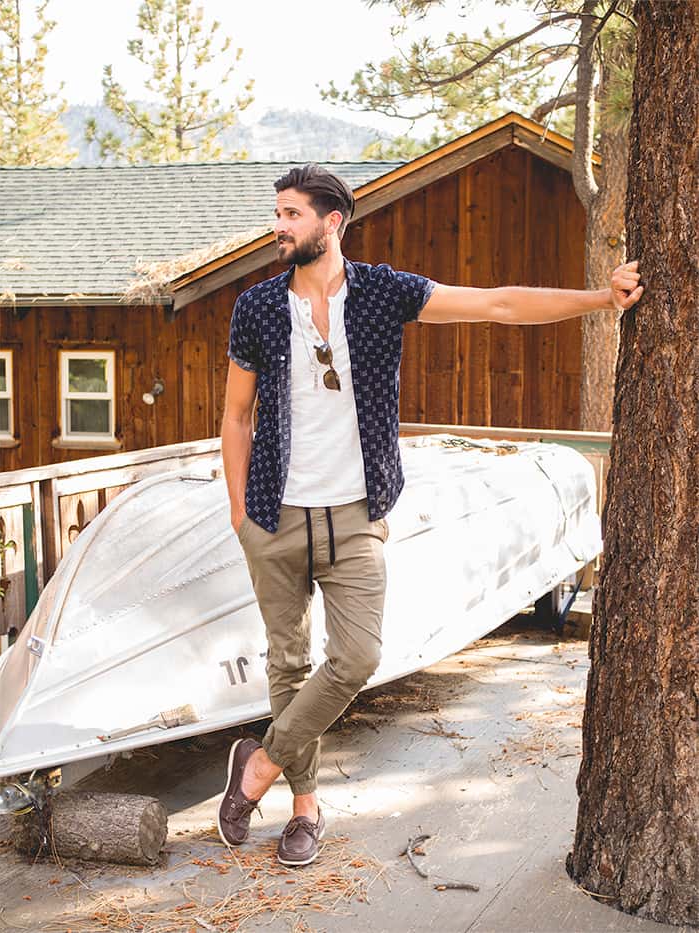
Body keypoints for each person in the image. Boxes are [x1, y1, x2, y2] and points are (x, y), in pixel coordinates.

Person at [217, 163, 643, 867]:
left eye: (291, 214)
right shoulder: (258, 308)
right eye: (277, 213)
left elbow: (498, 304)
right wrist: (241, 514)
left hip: (356, 516)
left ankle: (256, 768)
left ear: (332, 223)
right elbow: (235, 417)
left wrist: (602, 297)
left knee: (356, 657)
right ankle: (304, 808)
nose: (278, 227)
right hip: (274, 514)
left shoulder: (384, 294)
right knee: (289, 663)